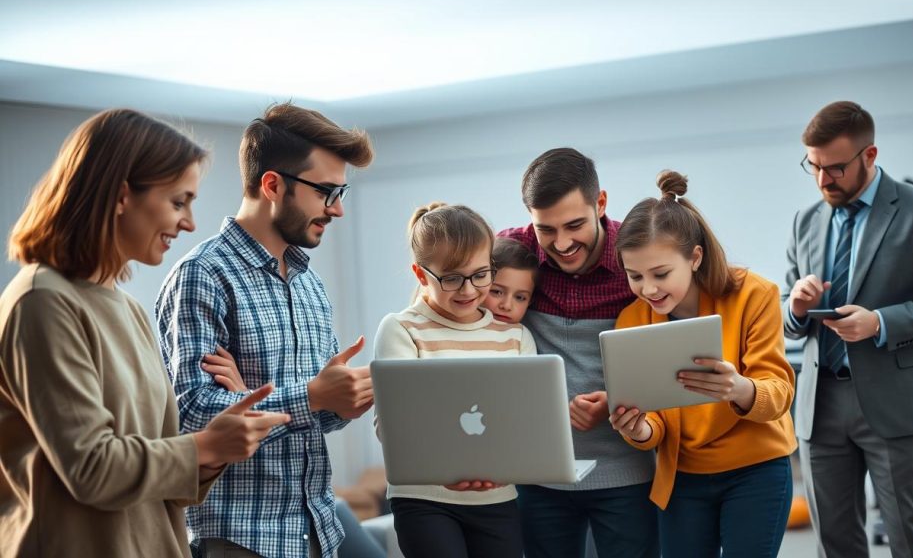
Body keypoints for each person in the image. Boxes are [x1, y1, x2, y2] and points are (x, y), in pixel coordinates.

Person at [0, 109, 289, 558]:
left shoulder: (128, 309)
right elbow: (92, 469)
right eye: (178, 202)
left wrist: (218, 448)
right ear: (121, 196)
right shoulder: (42, 301)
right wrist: (203, 446)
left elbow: (158, 473)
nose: (190, 222)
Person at [156, 103, 376, 558]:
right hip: (242, 537)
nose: (337, 211)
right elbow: (192, 415)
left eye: (341, 194)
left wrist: (345, 400)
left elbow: (318, 418)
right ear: (273, 184)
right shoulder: (203, 275)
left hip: (317, 529)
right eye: (326, 193)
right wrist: (313, 395)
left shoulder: (310, 283)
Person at [783, 101, 913, 558]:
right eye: (814, 166)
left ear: (870, 156)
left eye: (836, 168)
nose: (824, 179)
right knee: (835, 542)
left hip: (895, 398)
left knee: (909, 538)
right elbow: (790, 319)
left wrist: (880, 323)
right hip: (819, 403)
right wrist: (796, 307)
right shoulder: (805, 220)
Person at [608, 170, 796, 558]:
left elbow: (778, 393)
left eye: (661, 274)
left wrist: (740, 388)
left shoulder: (755, 294)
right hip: (682, 478)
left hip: (756, 471)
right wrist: (640, 429)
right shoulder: (631, 320)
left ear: (695, 258)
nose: (649, 289)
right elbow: (654, 419)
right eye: (635, 276)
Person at [499, 148, 659, 558]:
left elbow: (672, 357)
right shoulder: (511, 255)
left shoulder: (638, 257)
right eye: (546, 229)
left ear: (600, 203)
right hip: (538, 476)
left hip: (627, 470)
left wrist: (619, 399)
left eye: (574, 225)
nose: (563, 243)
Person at [372, 202, 536, 558]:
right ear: (420, 274)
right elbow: (391, 425)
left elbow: (527, 422)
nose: (468, 290)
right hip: (424, 499)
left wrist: (504, 466)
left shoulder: (516, 337)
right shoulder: (401, 329)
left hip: (498, 497)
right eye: (451, 278)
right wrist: (442, 469)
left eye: (480, 274)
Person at [482, 236, 539, 325]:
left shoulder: (521, 336)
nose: (506, 306)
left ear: (530, 301)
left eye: (520, 297)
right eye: (497, 292)